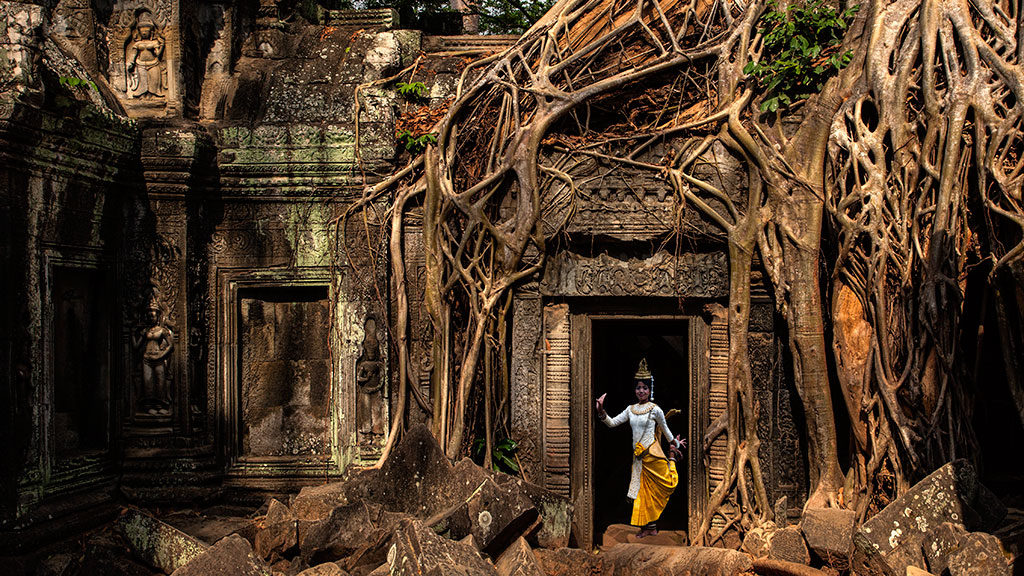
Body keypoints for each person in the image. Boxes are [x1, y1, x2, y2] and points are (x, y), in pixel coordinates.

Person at [596, 358, 686, 538]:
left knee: (665, 485)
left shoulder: (655, 409)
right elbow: (612, 423)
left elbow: (666, 432)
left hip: (653, 455)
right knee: (642, 493)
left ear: (650, 390)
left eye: (645, 388)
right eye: (638, 388)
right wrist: (601, 411)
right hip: (638, 459)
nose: (641, 391)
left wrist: (676, 444)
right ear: (635, 390)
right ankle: (649, 527)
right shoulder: (630, 410)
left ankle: (672, 459)